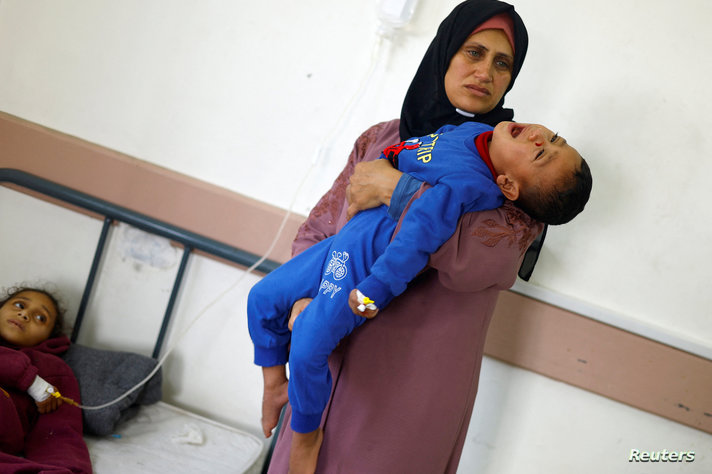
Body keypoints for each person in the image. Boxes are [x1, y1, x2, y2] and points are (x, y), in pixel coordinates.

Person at [266, 1, 544, 472]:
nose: (486, 72)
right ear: (443, 54)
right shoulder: (382, 139)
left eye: (503, 63)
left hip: (414, 384)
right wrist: (299, 301)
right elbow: (319, 230)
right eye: (473, 52)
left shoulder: (514, 165)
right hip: (328, 354)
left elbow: (484, 258)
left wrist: (396, 189)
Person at [249, 119, 591, 460]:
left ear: (507, 185)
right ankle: (275, 385)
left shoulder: (474, 190)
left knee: (308, 343)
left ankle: (305, 435)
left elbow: (413, 243)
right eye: (553, 137)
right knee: (261, 298)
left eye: (542, 152)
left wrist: (373, 291)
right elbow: (322, 222)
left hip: (369, 287)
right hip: (341, 246)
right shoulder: (464, 134)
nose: (539, 136)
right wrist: (302, 293)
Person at [0, 286, 92, 474]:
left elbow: (58, 432)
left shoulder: (52, 369)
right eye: (19, 304)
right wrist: (25, 377)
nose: (25, 314)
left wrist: (66, 469)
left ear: (49, 337)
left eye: (41, 318)